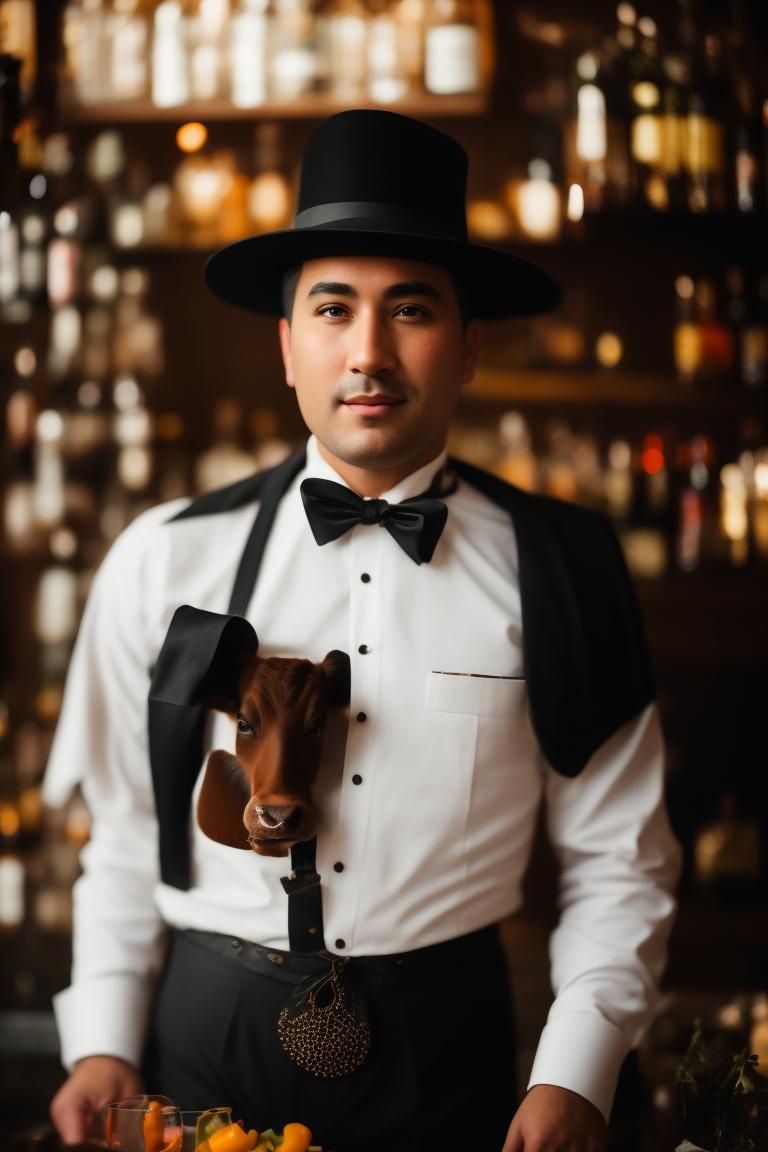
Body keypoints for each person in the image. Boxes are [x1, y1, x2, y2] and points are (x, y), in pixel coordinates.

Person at [44, 109, 681, 1152]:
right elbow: (122, 835)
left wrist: (577, 1072)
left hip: (454, 1050)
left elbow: (620, 859)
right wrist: (101, 1040)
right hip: (201, 1044)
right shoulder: (161, 559)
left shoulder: (566, 569)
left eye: (412, 311)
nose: (370, 353)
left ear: (469, 345)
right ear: (289, 345)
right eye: (333, 310)